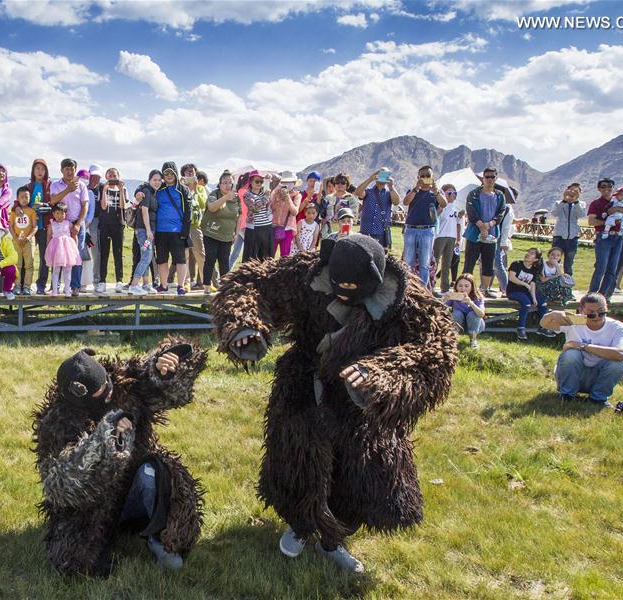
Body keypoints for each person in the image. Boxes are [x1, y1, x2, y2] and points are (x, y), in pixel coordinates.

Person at [213, 234, 458, 574]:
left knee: (356, 468)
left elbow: (437, 350)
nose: (342, 291)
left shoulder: (407, 295)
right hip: (305, 382)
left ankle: (334, 537)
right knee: (299, 456)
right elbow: (250, 281)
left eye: (352, 288)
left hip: (360, 398)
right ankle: (301, 522)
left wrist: (381, 376)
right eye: (336, 284)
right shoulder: (307, 268)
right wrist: (244, 323)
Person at [33, 340, 208, 576]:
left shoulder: (125, 384)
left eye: (108, 387)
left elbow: (158, 382)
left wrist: (165, 368)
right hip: (93, 506)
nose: (108, 394)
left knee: (158, 473)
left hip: (136, 482)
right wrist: (104, 439)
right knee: (75, 563)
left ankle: (159, 536)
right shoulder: (57, 425)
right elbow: (60, 486)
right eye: (99, 396)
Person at [540, 293, 623, 406]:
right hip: (573, 373)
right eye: (591, 314)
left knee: (619, 363)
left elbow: (621, 354)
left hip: (599, 375)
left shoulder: (617, 327)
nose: (596, 316)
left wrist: (583, 346)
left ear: (607, 308)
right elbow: (544, 324)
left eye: (601, 312)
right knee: (570, 355)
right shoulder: (577, 321)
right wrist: (553, 315)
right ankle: (566, 395)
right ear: (581, 311)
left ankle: (598, 399)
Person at [462, 167, 506, 297]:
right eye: (487, 177)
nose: (490, 179)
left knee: (488, 263)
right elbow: (471, 211)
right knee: (469, 262)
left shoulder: (499, 195)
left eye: (492, 177)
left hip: (491, 234)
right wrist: (481, 226)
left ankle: (484, 290)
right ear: (483, 178)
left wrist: (490, 224)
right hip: (474, 233)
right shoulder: (474, 194)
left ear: (496, 178)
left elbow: (501, 212)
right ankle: (465, 290)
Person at [588, 178, 623, 296]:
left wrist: (618, 210)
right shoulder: (596, 203)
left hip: (618, 238)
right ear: (599, 189)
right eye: (603, 186)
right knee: (601, 267)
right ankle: (592, 294)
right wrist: (609, 222)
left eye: (609, 186)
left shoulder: (620, 200)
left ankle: (604, 295)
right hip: (604, 237)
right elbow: (591, 221)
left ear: (613, 188)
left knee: (612, 269)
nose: (606, 189)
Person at [49, 159, 88, 295]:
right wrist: (68, 189)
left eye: (72, 169)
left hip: (76, 223)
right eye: (66, 169)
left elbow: (85, 205)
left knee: (76, 255)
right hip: (60, 224)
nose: (69, 171)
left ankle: (75, 286)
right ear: (61, 170)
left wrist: (78, 224)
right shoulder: (55, 184)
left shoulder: (82, 186)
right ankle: (56, 287)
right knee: (58, 256)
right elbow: (53, 200)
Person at [404, 166, 447, 286]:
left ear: (432, 178)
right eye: (422, 176)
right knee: (408, 261)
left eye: (428, 176)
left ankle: (423, 290)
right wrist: (416, 188)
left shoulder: (436, 193)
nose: (425, 178)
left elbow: (444, 204)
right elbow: (406, 202)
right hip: (411, 229)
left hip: (427, 230)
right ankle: (407, 287)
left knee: (424, 263)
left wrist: (436, 191)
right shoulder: (412, 191)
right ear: (418, 177)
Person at [154, 162, 192, 295]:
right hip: (160, 231)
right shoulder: (158, 189)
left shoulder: (183, 189)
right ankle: (163, 285)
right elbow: (145, 187)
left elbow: (188, 211)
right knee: (162, 259)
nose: (169, 176)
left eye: (171, 173)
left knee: (181, 260)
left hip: (178, 230)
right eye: (166, 173)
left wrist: (185, 230)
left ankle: (180, 286)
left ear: (176, 173)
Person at [201, 170, 241, 294]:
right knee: (210, 259)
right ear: (219, 184)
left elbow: (239, 216)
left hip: (227, 235)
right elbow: (212, 208)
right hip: (211, 232)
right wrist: (225, 198)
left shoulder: (236, 198)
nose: (227, 185)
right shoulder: (214, 194)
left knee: (224, 261)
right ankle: (207, 287)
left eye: (230, 183)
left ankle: (224, 288)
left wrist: (236, 233)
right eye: (224, 182)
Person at [506, 247, 552, 340]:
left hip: (526, 293)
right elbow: (511, 278)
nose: (528, 254)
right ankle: (521, 328)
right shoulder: (516, 264)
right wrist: (525, 285)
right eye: (528, 252)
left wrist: (534, 298)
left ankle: (544, 327)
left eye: (531, 253)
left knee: (542, 303)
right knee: (526, 303)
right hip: (513, 291)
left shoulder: (534, 270)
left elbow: (532, 285)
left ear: (535, 259)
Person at [129, 170, 162, 295]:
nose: (157, 182)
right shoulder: (147, 192)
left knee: (146, 257)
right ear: (149, 180)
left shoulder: (153, 192)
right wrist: (148, 230)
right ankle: (134, 285)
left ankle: (146, 284)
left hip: (149, 230)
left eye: (159, 180)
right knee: (146, 257)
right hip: (144, 230)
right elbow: (144, 211)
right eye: (155, 180)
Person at [97, 168, 127, 293]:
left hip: (118, 224)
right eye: (110, 176)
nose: (112, 178)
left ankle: (119, 281)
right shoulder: (101, 188)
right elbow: (103, 206)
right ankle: (102, 281)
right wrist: (104, 189)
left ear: (118, 177)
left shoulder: (123, 189)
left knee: (118, 253)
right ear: (106, 177)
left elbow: (123, 206)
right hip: (104, 224)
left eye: (114, 175)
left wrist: (120, 189)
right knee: (104, 254)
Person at [355, 168, 400, 250]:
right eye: (380, 174)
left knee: (379, 257)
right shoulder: (368, 191)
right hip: (365, 230)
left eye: (385, 175)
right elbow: (358, 192)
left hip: (380, 232)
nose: (382, 177)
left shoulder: (389, 192)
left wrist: (391, 186)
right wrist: (370, 179)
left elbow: (396, 202)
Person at [45, 203, 82, 296]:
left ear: (65, 214)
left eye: (62, 213)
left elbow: (74, 235)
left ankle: (67, 290)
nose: (60, 216)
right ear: (53, 214)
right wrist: (48, 250)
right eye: (57, 213)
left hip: (67, 250)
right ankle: (54, 290)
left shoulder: (68, 224)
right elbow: (48, 238)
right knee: (56, 270)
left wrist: (75, 247)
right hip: (56, 251)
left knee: (67, 270)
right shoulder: (51, 225)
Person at [28, 158, 53, 294]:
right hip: (30, 227)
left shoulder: (49, 186)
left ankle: (41, 285)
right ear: (33, 170)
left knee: (44, 257)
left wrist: (44, 206)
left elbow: (53, 203)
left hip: (44, 226)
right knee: (28, 256)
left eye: (42, 169)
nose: (39, 171)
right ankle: (25, 284)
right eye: (37, 168)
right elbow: (20, 202)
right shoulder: (28, 186)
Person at [180, 164, 207, 290]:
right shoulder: (180, 188)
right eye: (187, 172)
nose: (190, 174)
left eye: (193, 172)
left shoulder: (201, 189)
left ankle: (205, 282)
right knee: (184, 255)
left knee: (200, 254)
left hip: (196, 225)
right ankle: (185, 282)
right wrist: (186, 188)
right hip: (182, 225)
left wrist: (195, 189)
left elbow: (203, 205)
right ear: (183, 175)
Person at [550, 184, 586, 277]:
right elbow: (554, 213)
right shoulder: (559, 203)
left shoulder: (581, 204)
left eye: (576, 191)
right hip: (559, 236)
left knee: (569, 262)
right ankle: (553, 280)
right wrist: (564, 200)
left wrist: (576, 201)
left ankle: (567, 282)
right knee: (555, 260)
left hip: (572, 236)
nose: (572, 193)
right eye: (571, 190)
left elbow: (581, 214)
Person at [444, 274, 485, 349]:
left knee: (473, 314)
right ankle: (453, 340)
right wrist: (444, 299)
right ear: (456, 286)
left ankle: (473, 340)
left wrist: (471, 303)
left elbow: (481, 314)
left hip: (477, 325)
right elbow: (439, 308)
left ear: (472, 287)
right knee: (457, 313)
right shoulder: (454, 296)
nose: (463, 288)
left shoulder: (478, 297)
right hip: (459, 325)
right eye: (460, 285)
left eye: (466, 286)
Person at [432, 183, 460, 294]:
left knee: (447, 263)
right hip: (440, 236)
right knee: (435, 261)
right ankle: (432, 284)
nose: (452, 195)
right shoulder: (441, 205)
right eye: (449, 193)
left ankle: (445, 287)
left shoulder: (456, 208)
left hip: (452, 237)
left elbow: (458, 224)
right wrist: (440, 208)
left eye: (454, 193)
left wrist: (458, 239)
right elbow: (435, 217)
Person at [10, 186, 37, 295]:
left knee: (29, 264)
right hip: (16, 241)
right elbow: (10, 226)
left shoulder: (32, 211)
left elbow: (35, 227)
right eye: (22, 197)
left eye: (27, 197)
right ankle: (17, 285)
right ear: (17, 198)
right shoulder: (13, 212)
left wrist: (29, 237)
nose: (24, 199)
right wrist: (15, 238)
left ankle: (27, 286)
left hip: (28, 242)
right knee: (17, 264)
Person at [243, 170, 273, 262]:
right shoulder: (247, 195)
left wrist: (269, 177)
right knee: (252, 257)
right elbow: (255, 209)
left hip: (267, 227)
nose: (259, 183)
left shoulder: (264, 193)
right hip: (254, 230)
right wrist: (265, 197)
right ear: (251, 182)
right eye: (257, 181)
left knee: (266, 256)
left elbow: (278, 180)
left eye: (261, 181)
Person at [270, 172, 300, 258]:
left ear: (294, 183)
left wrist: (287, 198)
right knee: (270, 255)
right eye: (285, 182)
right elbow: (270, 207)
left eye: (290, 182)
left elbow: (294, 212)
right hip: (273, 227)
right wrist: (277, 196)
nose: (287, 185)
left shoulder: (297, 195)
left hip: (288, 229)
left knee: (285, 256)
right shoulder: (275, 193)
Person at [493, 189, 516, 297]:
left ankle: (506, 289)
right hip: (491, 237)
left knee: (498, 264)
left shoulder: (507, 208)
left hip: (498, 238)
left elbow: (506, 227)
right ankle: (486, 287)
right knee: (489, 263)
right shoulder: (497, 205)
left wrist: (503, 242)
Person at [87, 164, 105, 290]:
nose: (95, 179)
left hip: (95, 222)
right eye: (93, 176)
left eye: (98, 176)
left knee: (95, 251)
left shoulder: (102, 187)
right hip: (81, 221)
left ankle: (96, 279)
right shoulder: (82, 186)